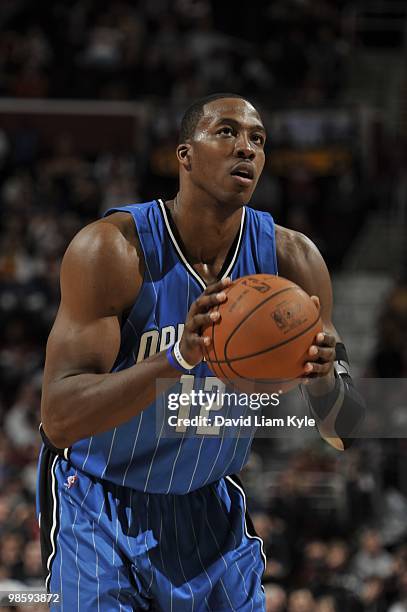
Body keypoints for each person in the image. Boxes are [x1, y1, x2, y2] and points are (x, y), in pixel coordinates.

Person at [37, 93, 363, 611]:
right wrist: (177, 357)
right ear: (184, 156)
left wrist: (324, 378)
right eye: (227, 132)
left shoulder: (293, 260)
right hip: (100, 502)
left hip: (209, 505)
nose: (246, 149)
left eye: (258, 139)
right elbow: (58, 419)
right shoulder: (112, 251)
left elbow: (345, 429)